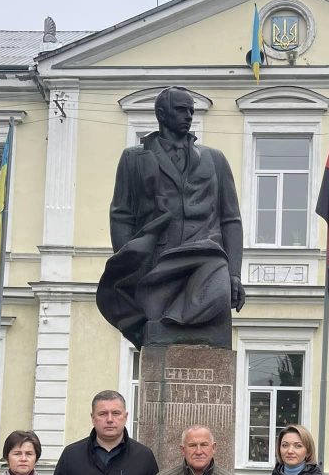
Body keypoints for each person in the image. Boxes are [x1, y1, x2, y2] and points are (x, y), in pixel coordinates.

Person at [97, 85, 246, 351]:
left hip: (208, 253)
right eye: (181, 110)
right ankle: (165, 327)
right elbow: (121, 215)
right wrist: (128, 264)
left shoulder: (215, 159)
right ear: (161, 114)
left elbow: (230, 219)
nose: (188, 116)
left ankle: (180, 325)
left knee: (217, 295)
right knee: (155, 318)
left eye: (191, 111)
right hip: (159, 258)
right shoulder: (134, 158)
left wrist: (234, 272)